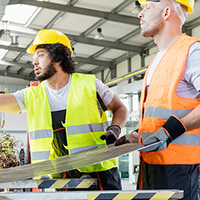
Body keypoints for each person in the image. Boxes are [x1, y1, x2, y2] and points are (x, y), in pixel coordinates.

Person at [0, 29, 128, 190]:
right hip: (63, 177)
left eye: (40, 55)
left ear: (58, 58)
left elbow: (120, 108)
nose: (34, 61)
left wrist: (115, 128)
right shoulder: (32, 95)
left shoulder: (89, 85)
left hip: (100, 173)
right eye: (33, 56)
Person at [115, 0, 200, 199]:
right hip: (150, 167)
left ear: (167, 12)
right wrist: (140, 135)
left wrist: (171, 131)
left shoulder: (192, 52)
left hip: (180, 170)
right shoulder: (157, 60)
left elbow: (170, 126)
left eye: (147, 7)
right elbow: (164, 111)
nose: (140, 14)